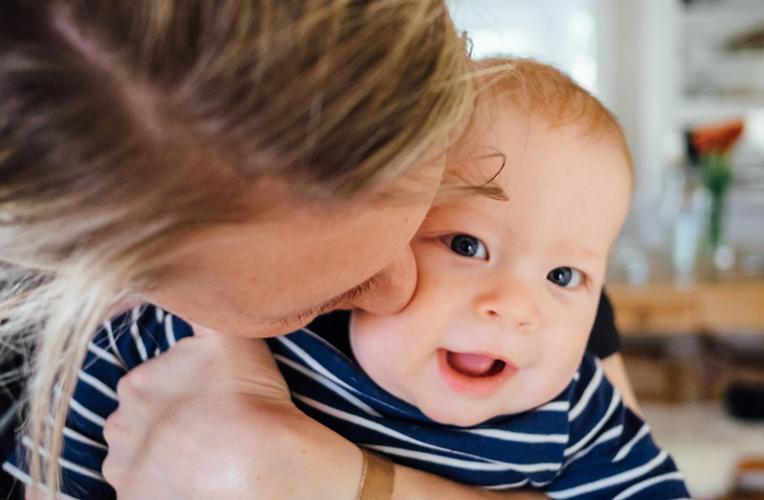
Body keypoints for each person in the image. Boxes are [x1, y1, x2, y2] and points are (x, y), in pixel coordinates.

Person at [0, 2, 633, 499]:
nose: (400, 289)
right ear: (107, 279)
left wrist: (340, 484)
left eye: (427, 222)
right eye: (324, 294)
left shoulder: (521, 247)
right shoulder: (126, 352)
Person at [268, 59, 690, 498]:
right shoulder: (291, 327)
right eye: (467, 246)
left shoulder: (574, 413)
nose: (513, 307)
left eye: (562, 276)